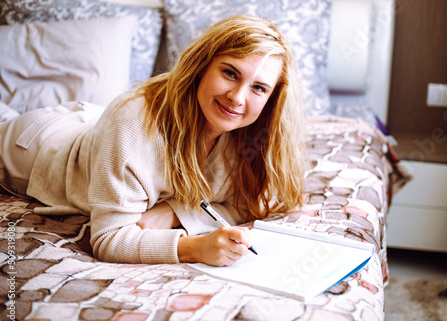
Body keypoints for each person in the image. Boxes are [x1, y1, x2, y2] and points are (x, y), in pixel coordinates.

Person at [0, 14, 304, 266]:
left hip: (95, 124)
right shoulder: (135, 123)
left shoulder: (254, 131)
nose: (237, 98)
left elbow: (251, 202)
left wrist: (174, 213)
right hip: (38, 143)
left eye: (259, 88)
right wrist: (196, 247)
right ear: (202, 67)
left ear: (271, 98)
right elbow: (109, 240)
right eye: (230, 73)